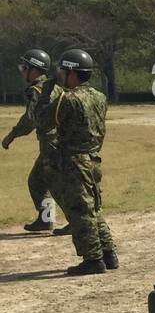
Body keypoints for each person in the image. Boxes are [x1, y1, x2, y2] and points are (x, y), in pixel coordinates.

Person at [33, 49, 117, 275]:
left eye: (63, 71)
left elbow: (42, 120)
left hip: (73, 161)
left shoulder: (68, 99)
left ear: (72, 73)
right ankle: (108, 253)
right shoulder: (99, 97)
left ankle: (93, 259)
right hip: (93, 158)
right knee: (94, 207)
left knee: (80, 211)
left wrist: (47, 90)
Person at [2, 48, 67, 232]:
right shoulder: (54, 86)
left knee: (53, 183)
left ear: (35, 70)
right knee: (38, 181)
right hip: (59, 141)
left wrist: (11, 136)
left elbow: (30, 119)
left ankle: (77, 221)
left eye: (24, 67)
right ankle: (46, 219)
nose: (21, 71)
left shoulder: (36, 90)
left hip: (51, 143)